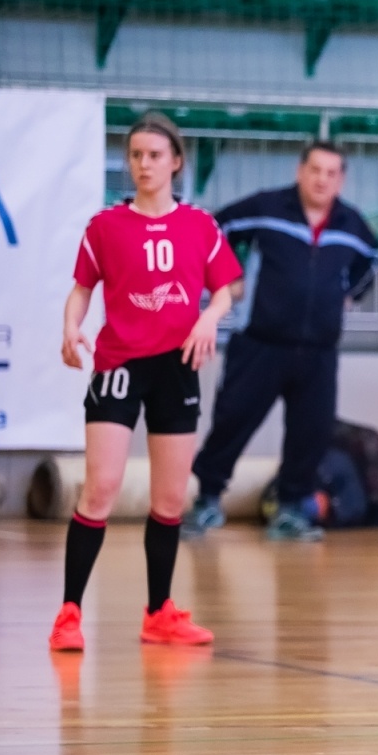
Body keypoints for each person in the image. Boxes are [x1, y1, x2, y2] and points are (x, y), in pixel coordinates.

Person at [51, 112, 241, 652]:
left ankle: (159, 613)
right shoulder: (106, 226)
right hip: (119, 364)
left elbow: (227, 289)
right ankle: (68, 615)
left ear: (176, 161)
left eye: (154, 155)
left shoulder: (199, 225)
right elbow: (82, 288)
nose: (143, 164)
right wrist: (71, 326)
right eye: (135, 154)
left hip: (177, 366)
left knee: (171, 497)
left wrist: (209, 318)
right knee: (101, 488)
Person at [183, 142, 378, 542]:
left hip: (319, 351)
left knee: (311, 431)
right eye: (315, 170)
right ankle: (207, 501)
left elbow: (371, 259)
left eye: (331, 173)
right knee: (232, 421)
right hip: (261, 343)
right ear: (300, 172)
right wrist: (227, 277)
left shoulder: (352, 225)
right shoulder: (267, 207)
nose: (322, 180)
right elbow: (211, 230)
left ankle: (291, 510)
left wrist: (347, 295)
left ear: (341, 180)